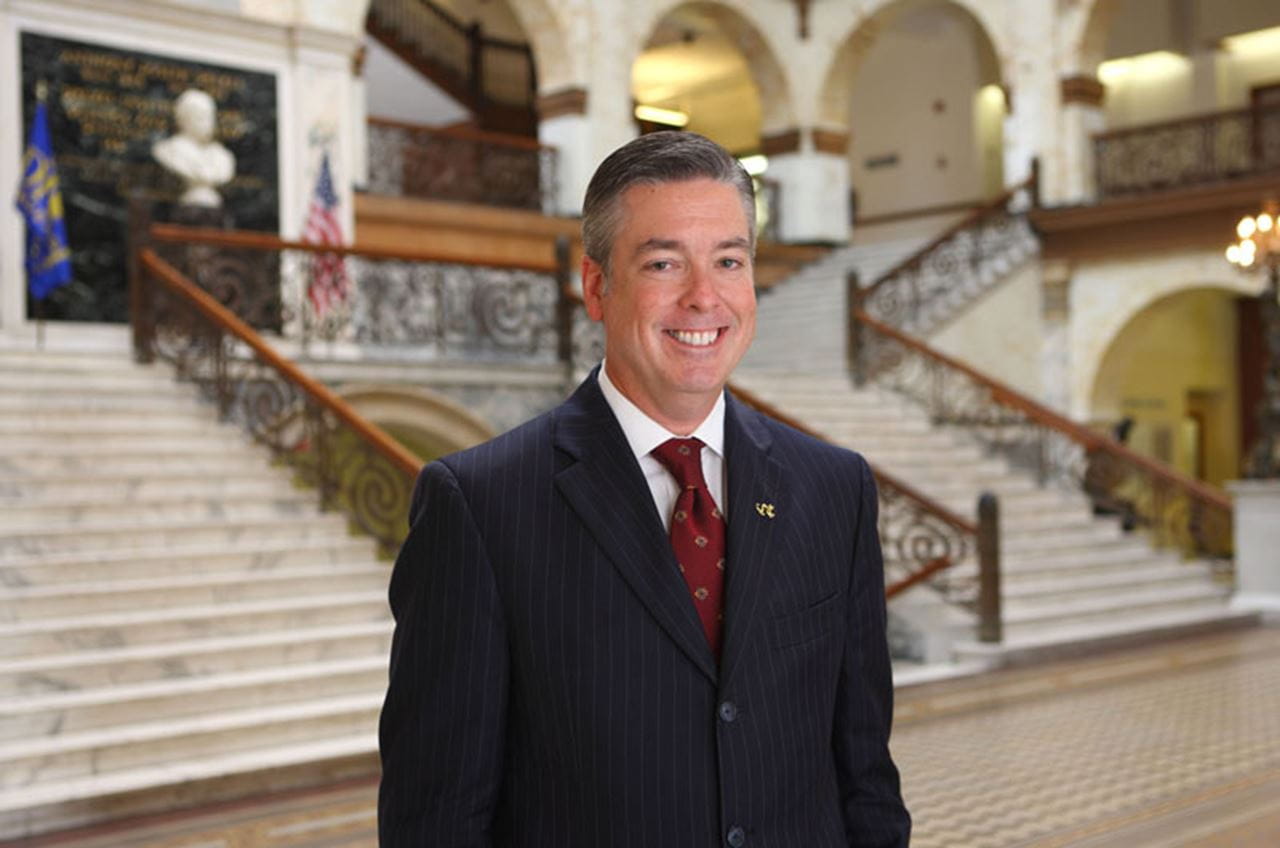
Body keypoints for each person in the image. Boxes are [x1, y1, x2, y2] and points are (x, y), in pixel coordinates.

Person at [379, 131, 911, 847]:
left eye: (729, 261)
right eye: (664, 263)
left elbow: (865, 777)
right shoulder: (478, 506)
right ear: (597, 287)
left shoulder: (834, 488)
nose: (704, 297)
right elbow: (436, 819)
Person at [152, 88, 235, 207]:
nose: (209, 124)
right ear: (183, 120)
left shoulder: (222, 155)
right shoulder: (169, 150)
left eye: (211, 117)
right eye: (201, 117)